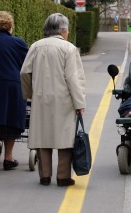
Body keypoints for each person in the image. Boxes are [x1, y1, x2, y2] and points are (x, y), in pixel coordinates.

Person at [20, 13, 86, 186]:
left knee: (43, 135)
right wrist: (80, 103)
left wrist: (30, 94)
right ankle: (63, 176)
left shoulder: (35, 46)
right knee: (65, 138)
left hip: (40, 98)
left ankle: (45, 176)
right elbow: (73, 78)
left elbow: (24, 72)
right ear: (63, 30)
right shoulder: (69, 48)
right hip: (64, 99)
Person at [0, 10, 29, 174]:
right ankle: (9, 158)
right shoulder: (18, 43)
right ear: (9, 25)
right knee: (11, 119)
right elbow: (26, 65)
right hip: (12, 87)